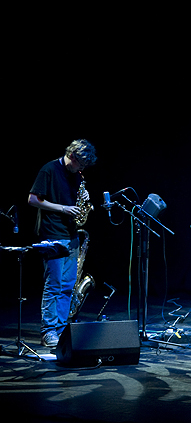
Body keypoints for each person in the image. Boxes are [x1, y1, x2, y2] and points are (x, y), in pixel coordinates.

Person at [28, 139, 97, 347]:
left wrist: (83, 196)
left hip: (71, 234)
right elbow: (32, 199)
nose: (82, 169)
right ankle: (49, 331)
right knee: (54, 285)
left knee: (67, 286)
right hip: (53, 234)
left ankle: (61, 329)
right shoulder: (49, 169)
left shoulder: (76, 175)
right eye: (81, 164)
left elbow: (75, 200)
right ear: (72, 156)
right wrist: (63, 208)